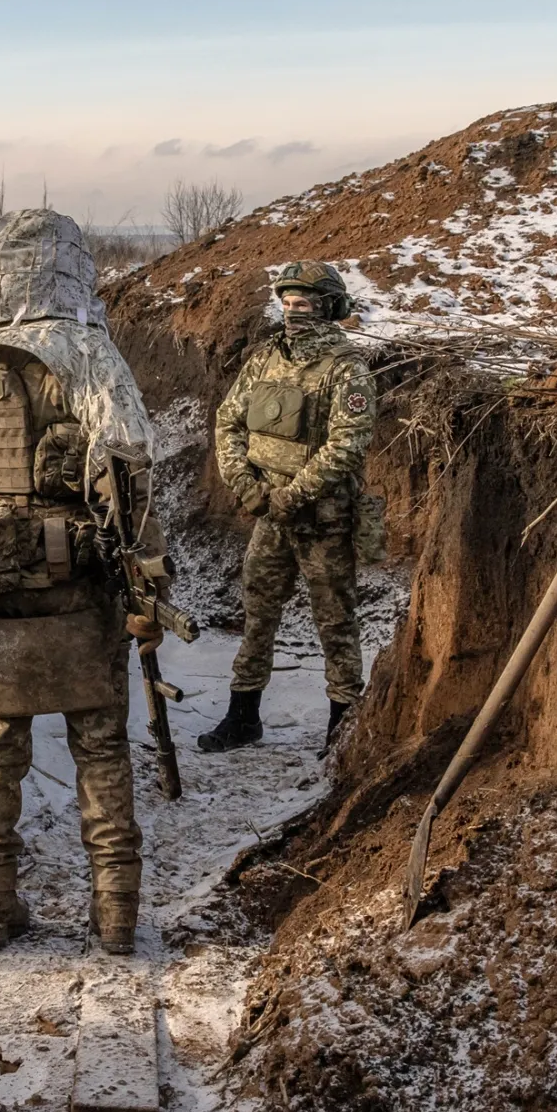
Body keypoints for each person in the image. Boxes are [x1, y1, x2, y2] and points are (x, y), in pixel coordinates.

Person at [0, 209, 166, 955]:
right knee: (101, 748)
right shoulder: (87, 350)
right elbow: (128, 472)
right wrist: (145, 586)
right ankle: (115, 917)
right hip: (78, 589)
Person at [199, 260, 374, 752]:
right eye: (287, 303)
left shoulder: (347, 367)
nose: (293, 312)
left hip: (324, 520)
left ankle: (343, 729)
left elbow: (347, 445)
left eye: (304, 304)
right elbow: (228, 422)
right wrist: (244, 484)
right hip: (270, 516)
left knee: (336, 623)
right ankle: (243, 717)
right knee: (257, 614)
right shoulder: (265, 359)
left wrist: (291, 496)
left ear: (329, 308)